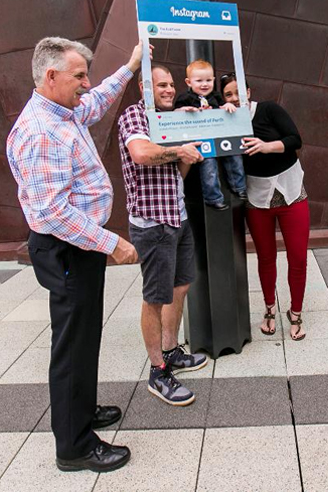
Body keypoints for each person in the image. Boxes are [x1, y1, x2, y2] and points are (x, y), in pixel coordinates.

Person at [7, 37, 143, 474]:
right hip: (68, 247)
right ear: (50, 77)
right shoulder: (41, 131)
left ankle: (80, 412)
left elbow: (96, 102)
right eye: (78, 76)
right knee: (72, 346)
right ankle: (75, 447)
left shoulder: (62, 111)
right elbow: (51, 211)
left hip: (77, 246)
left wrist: (130, 65)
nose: (86, 84)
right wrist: (113, 243)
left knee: (84, 338)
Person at [118, 63, 211, 406]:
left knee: (180, 286)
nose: (169, 90)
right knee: (155, 298)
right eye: (161, 86)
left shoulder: (171, 119)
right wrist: (179, 150)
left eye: (171, 84)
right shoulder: (135, 115)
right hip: (152, 223)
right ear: (145, 88)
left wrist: (189, 154)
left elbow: (178, 171)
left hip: (177, 215)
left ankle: (171, 351)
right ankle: (158, 372)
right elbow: (140, 153)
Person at [220, 73, 309, 341]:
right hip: (258, 199)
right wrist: (222, 117)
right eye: (228, 94)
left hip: (291, 193)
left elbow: (296, 139)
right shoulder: (226, 120)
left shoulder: (268, 109)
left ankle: (295, 313)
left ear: (249, 90)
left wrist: (267, 146)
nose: (235, 98)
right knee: (265, 258)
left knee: (298, 258)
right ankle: (269, 309)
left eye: (239, 92)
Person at [175, 59, 247, 210]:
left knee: (235, 156)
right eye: (199, 80)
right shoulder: (185, 98)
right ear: (189, 82)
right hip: (202, 139)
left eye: (208, 80)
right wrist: (184, 110)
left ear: (213, 80)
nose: (204, 84)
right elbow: (175, 113)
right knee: (209, 167)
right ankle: (213, 198)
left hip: (220, 135)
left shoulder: (215, 97)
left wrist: (227, 105)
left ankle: (239, 187)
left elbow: (222, 107)